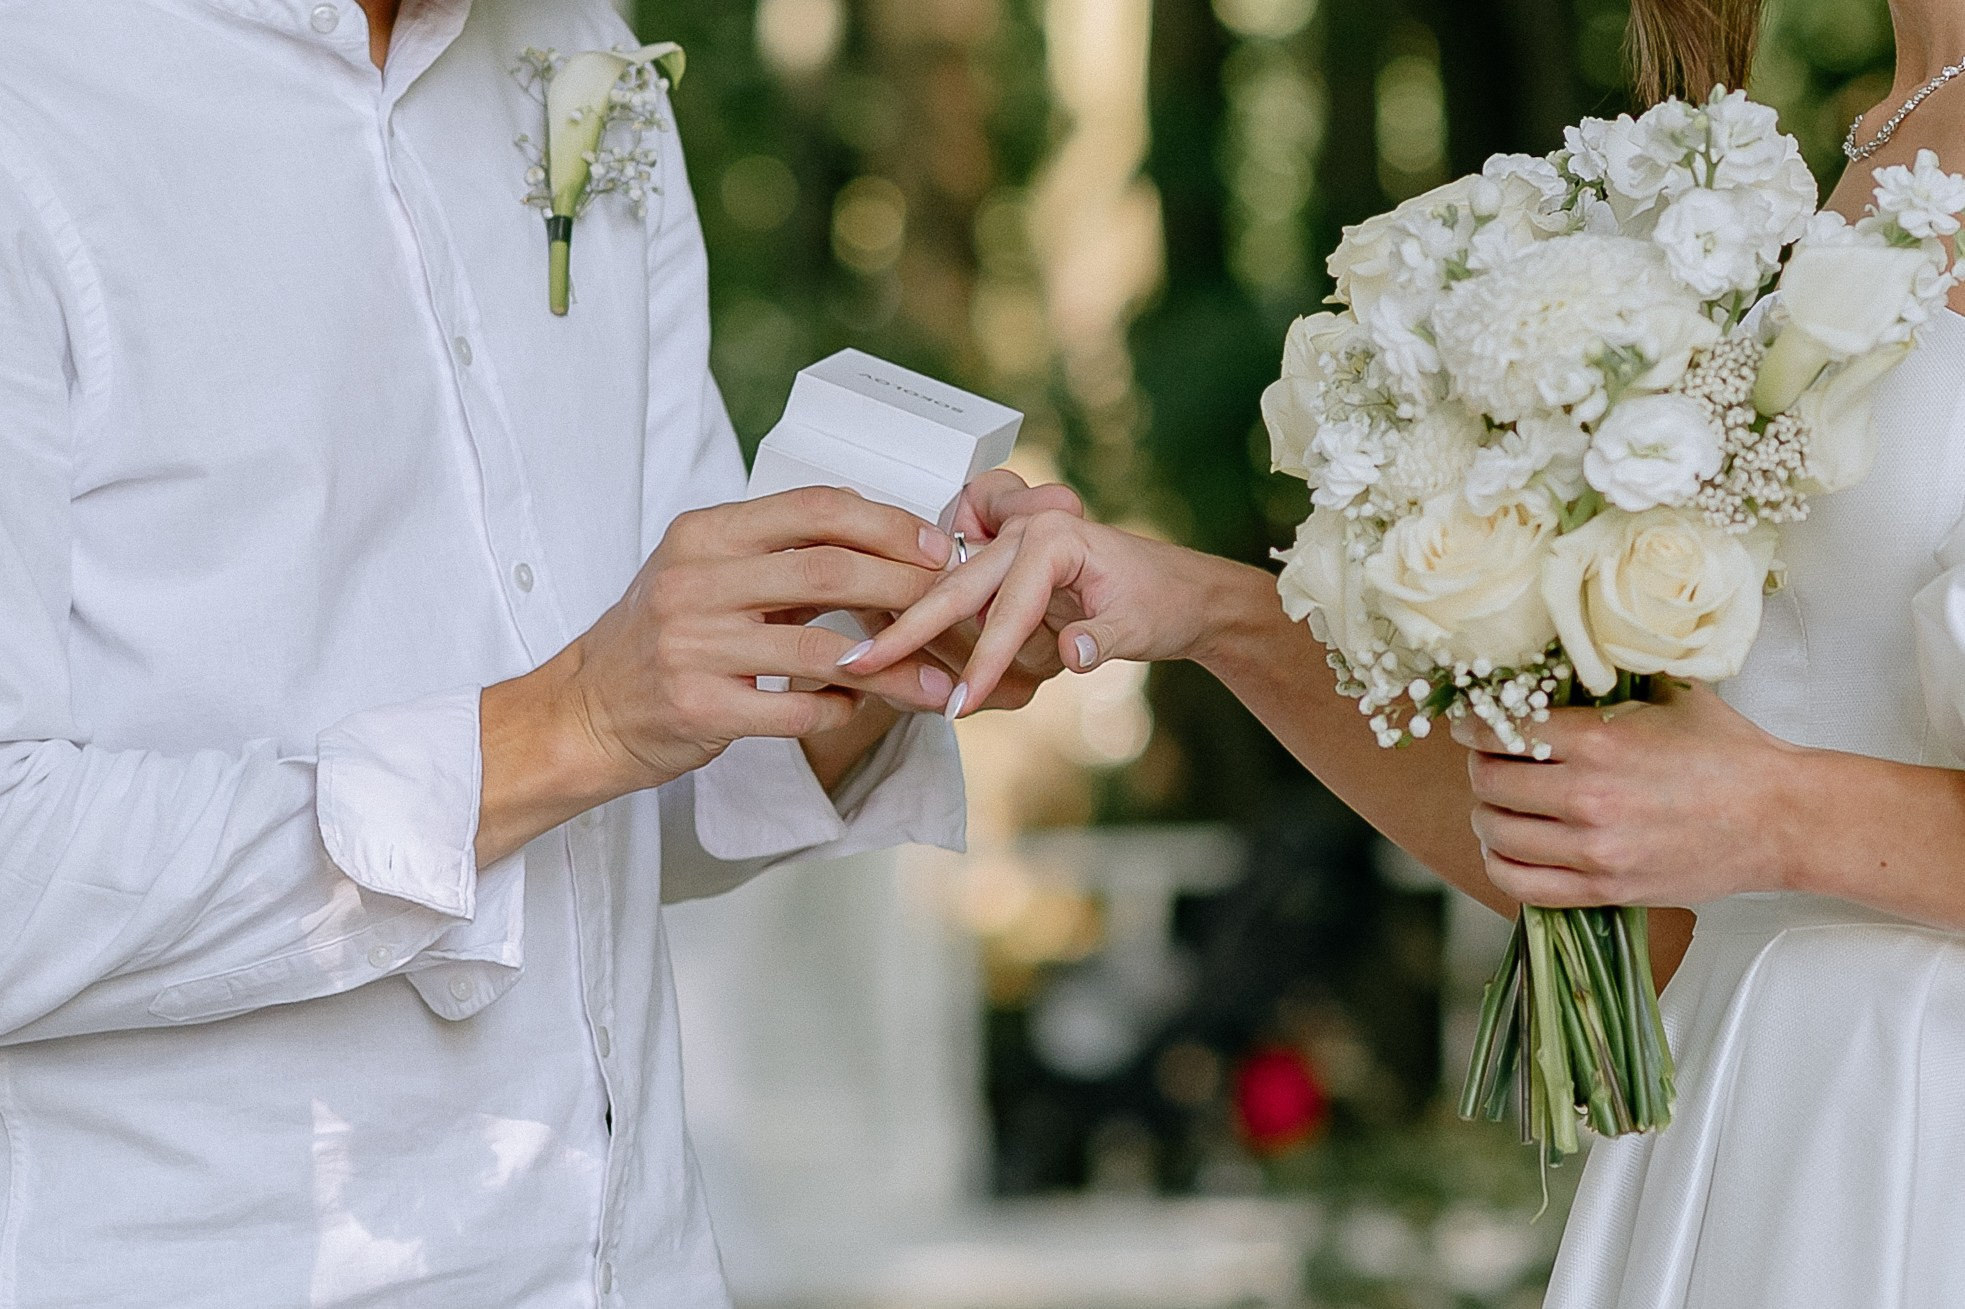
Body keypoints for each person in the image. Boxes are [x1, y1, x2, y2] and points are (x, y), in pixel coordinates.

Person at [859, 2, 1965, 1303]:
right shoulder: (1865, 137)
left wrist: (1775, 815)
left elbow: (1754, 822)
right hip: (1753, 1137)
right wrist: (1198, 611)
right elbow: (1658, 891)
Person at [0, 0, 1076, 1303]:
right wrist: (567, 722)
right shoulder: (35, 98)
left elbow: (621, 816)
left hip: (639, 1259)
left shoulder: (583, 55)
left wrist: (867, 657)